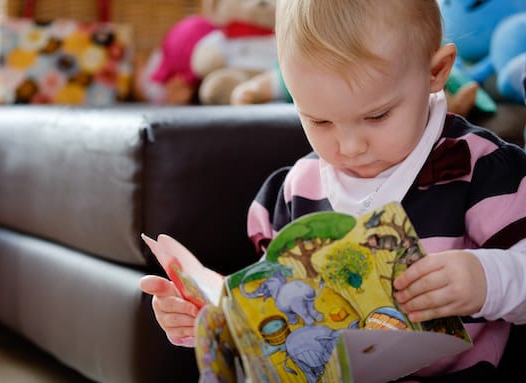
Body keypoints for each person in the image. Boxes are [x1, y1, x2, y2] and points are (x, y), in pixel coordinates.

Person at [140, 0, 526, 381]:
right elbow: (274, 318)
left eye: (377, 116)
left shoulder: (478, 168)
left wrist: (487, 280)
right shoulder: (296, 189)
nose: (350, 146)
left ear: (436, 71)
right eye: (320, 120)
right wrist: (211, 318)